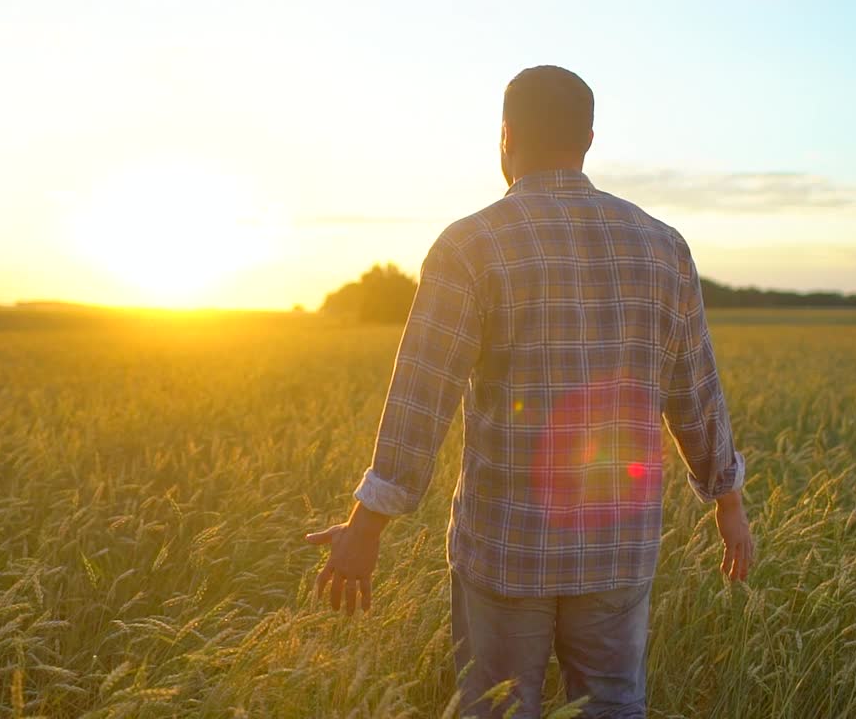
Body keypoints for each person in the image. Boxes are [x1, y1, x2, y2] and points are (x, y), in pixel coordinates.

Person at [306, 65, 752, 719]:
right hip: (617, 550)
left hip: (504, 549)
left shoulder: (470, 245)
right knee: (614, 707)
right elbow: (697, 392)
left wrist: (366, 523)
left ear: (506, 137)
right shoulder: (664, 248)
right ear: (590, 139)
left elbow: (419, 400)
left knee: (498, 710)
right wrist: (728, 502)